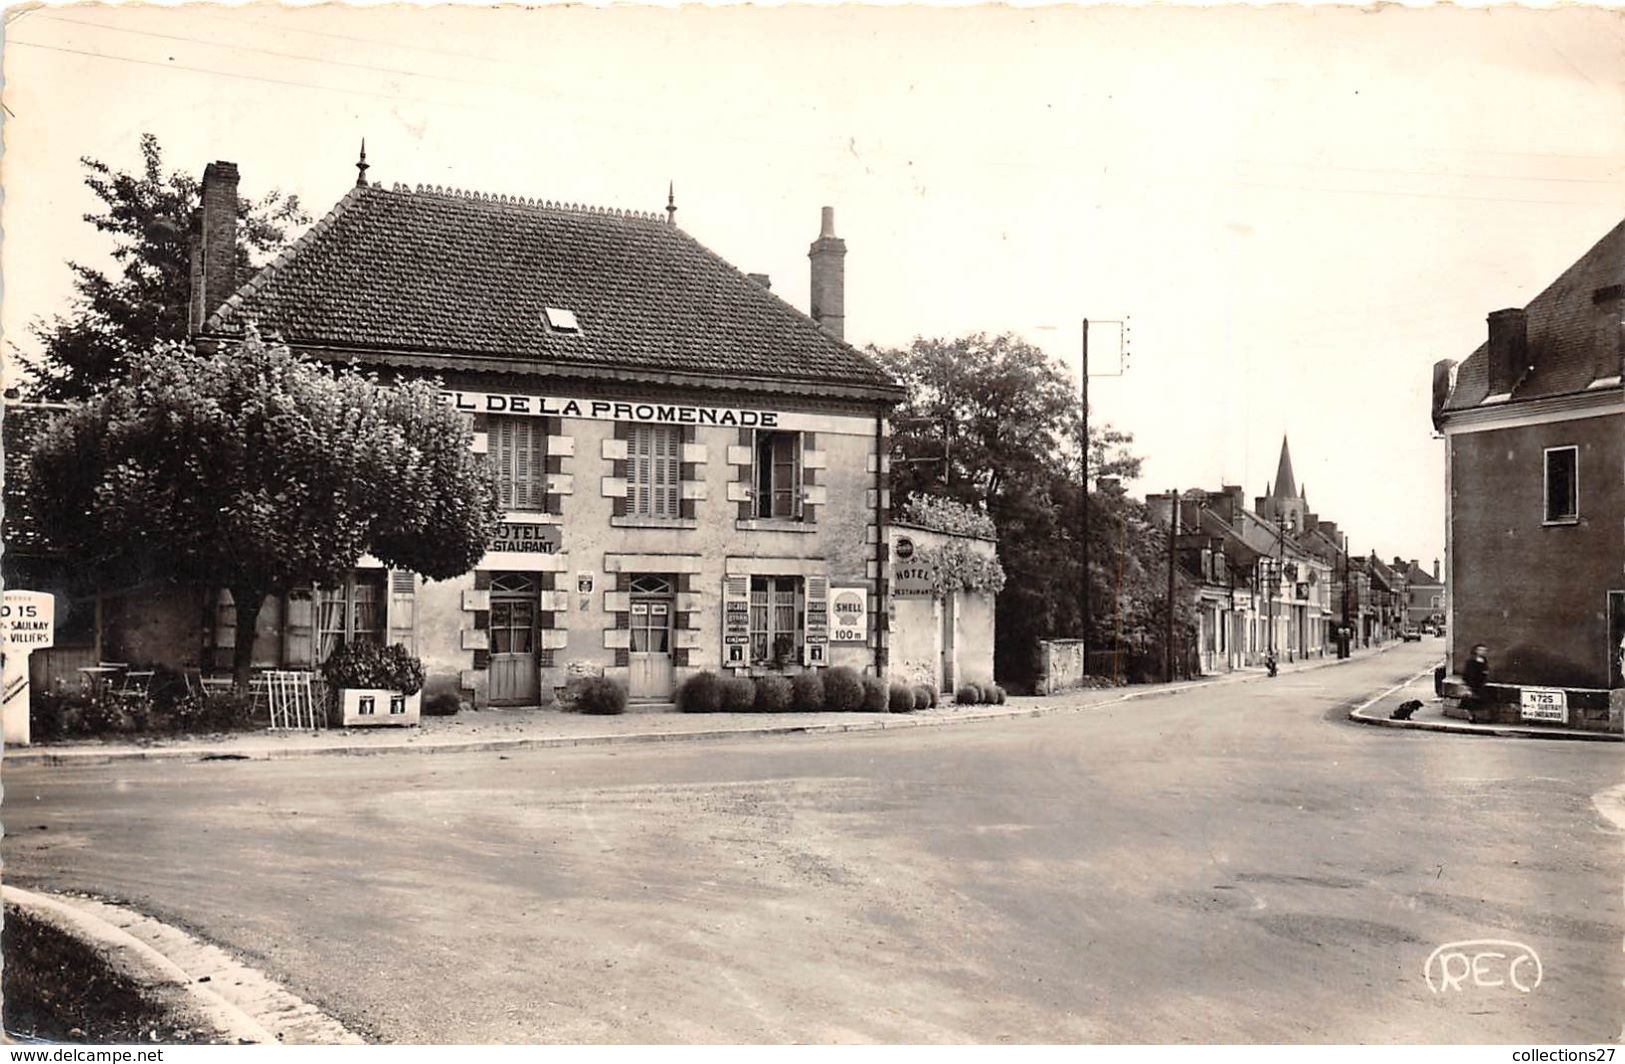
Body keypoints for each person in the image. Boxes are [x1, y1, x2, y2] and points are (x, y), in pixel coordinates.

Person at [1461, 643, 1489, 724]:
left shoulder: (1484, 661)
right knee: (1469, 701)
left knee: (1480, 701)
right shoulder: (1471, 661)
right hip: (1472, 684)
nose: (1483, 652)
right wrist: (1468, 686)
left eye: (1484, 650)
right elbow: (1467, 674)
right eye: (1480, 650)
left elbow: (1484, 671)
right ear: (1476, 651)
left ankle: (1479, 716)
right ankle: (1471, 716)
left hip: (1480, 684)